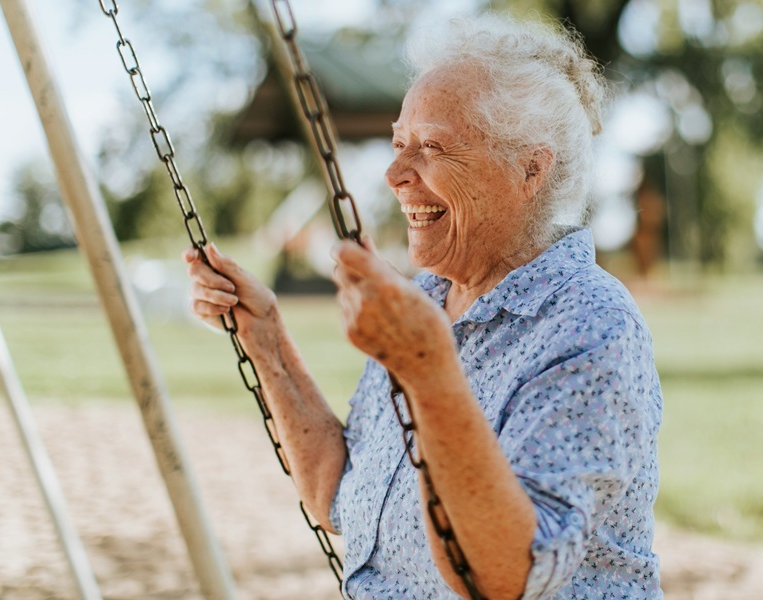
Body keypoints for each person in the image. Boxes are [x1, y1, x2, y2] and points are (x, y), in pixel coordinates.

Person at [185, 13, 662, 599]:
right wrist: (266, 339)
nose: (393, 174)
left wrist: (426, 368)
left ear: (530, 169)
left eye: (432, 147)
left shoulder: (590, 325)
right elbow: (342, 496)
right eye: (398, 144)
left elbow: (506, 576)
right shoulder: (429, 297)